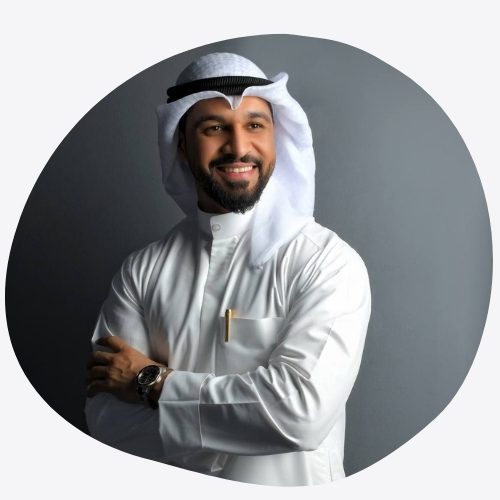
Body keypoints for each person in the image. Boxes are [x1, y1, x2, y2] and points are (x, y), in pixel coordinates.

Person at [85, 52, 371, 486]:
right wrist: (243, 423)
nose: (238, 147)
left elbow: (299, 416)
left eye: (255, 125)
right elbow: (108, 422)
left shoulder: (325, 262)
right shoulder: (141, 272)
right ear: (182, 144)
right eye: (214, 128)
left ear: (276, 136)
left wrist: (151, 382)